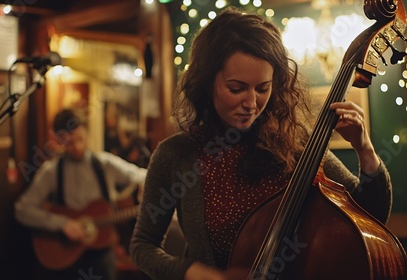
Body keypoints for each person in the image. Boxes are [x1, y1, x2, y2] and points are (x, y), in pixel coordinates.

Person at [130, 7, 393, 280]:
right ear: (208, 82)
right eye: (236, 88)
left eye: (262, 88)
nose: (251, 103)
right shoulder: (175, 155)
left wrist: (365, 150)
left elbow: (370, 216)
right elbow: (143, 246)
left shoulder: (295, 142)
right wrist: (194, 272)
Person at [15, 108, 147, 280]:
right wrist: (62, 224)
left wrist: (145, 183)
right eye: (69, 143)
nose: (76, 147)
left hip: (102, 255)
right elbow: (22, 209)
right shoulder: (51, 171)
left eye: (80, 139)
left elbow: (143, 174)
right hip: (65, 254)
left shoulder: (104, 163)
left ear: (87, 133)